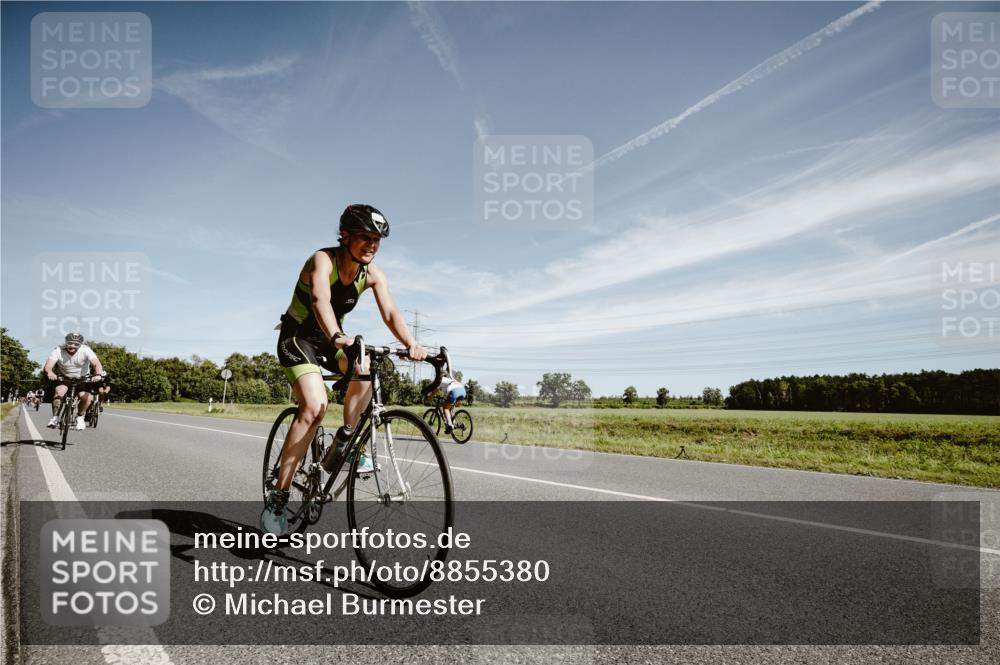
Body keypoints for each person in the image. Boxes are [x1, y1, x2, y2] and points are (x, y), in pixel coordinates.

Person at [263, 204, 426, 535]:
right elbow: (320, 300)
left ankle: (349, 442)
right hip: (299, 338)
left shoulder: (373, 274)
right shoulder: (322, 260)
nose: (372, 245)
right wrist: (338, 336)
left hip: (332, 341)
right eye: (365, 237)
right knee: (314, 406)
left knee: (363, 365)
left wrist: (411, 343)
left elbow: (391, 312)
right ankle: (278, 499)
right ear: (345, 236)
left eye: (377, 240)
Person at [43, 332, 106, 430]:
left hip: (82, 378)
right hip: (65, 377)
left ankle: (80, 417)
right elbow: (48, 366)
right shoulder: (58, 350)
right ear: (66, 342)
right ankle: (55, 418)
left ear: (80, 345)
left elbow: (97, 364)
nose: (72, 346)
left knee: (87, 398)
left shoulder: (86, 350)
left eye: (76, 344)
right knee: (59, 392)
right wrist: (50, 372)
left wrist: (98, 374)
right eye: (70, 343)